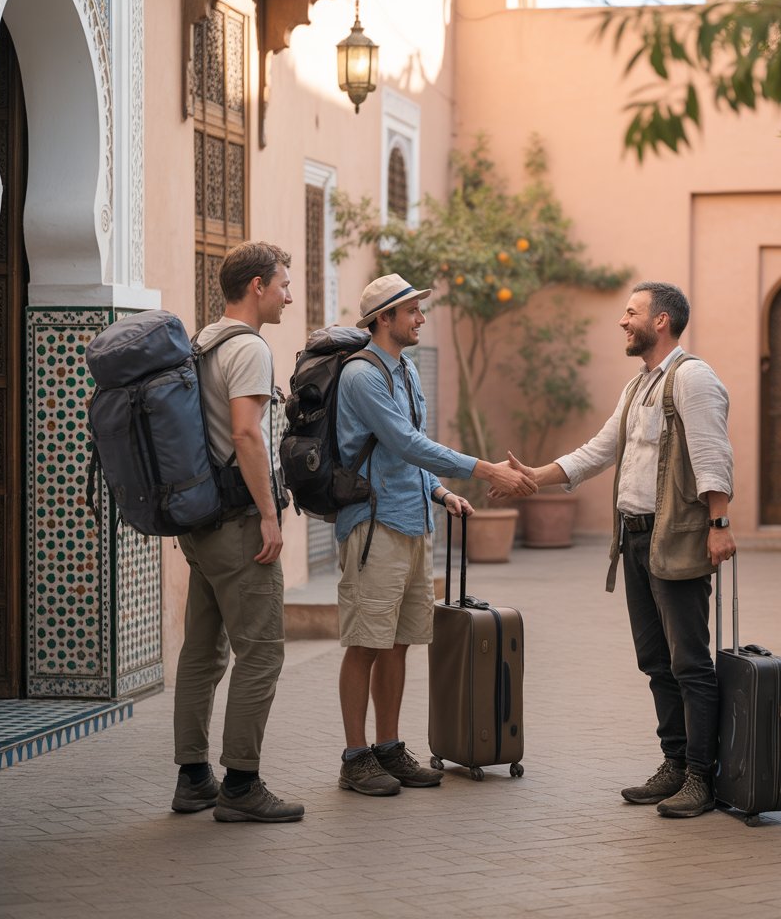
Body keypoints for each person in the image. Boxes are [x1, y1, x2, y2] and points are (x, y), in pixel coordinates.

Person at [505, 281, 735, 819]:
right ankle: (674, 764)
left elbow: (713, 454)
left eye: (631, 312)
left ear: (661, 321)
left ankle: (700, 777)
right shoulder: (638, 386)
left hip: (674, 536)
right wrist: (533, 477)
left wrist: (719, 524)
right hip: (635, 538)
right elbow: (600, 450)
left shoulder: (692, 378)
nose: (622, 321)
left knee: (689, 662)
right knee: (656, 661)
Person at [334, 273, 537, 796]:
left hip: (413, 523)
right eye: (412, 311)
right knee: (366, 644)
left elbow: (411, 450)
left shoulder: (405, 370)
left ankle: (388, 748)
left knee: (399, 643)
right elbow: (404, 442)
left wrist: (441, 493)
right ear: (384, 319)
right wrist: (484, 469)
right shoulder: (362, 376)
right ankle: (355, 758)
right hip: (373, 527)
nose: (421, 318)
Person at [170, 242, 304, 823]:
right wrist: (269, 515)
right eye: (283, 285)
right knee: (262, 653)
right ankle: (242, 786)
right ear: (257, 286)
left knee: (202, 653)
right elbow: (246, 435)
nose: (288, 296)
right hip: (238, 526)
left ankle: (193, 778)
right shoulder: (248, 347)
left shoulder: (204, 340)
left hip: (201, 525)